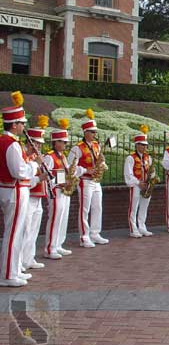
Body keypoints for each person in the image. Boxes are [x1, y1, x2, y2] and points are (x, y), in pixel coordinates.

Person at [0, 92, 43, 287]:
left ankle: (14, 269)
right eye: (22, 123)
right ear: (15, 124)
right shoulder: (11, 144)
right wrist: (34, 166)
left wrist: (31, 158)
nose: (23, 127)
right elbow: (19, 171)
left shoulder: (7, 142)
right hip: (14, 191)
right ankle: (8, 274)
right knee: (13, 234)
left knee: (15, 232)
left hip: (11, 190)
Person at [68, 109, 110, 247]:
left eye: (95, 132)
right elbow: (70, 167)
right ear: (85, 132)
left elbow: (99, 160)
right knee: (84, 209)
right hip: (85, 181)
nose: (94, 134)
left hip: (96, 181)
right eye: (92, 132)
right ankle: (84, 236)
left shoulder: (97, 145)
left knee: (98, 207)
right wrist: (86, 170)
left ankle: (95, 233)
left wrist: (102, 163)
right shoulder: (77, 148)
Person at [44, 119, 78, 260]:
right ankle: (50, 248)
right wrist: (62, 182)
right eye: (63, 142)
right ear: (55, 142)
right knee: (55, 219)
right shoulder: (49, 156)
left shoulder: (63, 156)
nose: (65, 144)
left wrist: (71, 175)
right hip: (56, 191)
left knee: (63, 218)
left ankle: (58, 244)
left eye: (65, 142)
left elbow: (64, 172)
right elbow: (46, 176)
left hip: (64, 191)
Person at [20, 117, 49, 272]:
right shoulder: (25, 157)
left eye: (40, 144)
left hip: (38, 198)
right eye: (36, 143)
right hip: (29, 197)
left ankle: (29, 258)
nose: (39, 146)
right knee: (25, 230)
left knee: (34, 230)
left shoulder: (36, 157)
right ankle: (20, 262)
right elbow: (26, 180)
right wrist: (40, 178)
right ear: (30, 142)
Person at [124, 126, 154, 238]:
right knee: (134, 207)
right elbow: (128, 174)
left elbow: (151, 170)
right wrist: (138, 183)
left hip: (146, 185)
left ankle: (142, 227)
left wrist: (151, 180)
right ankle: (133, 229)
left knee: (144, 207)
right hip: (136, 185)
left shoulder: (148, 157)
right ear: (136, 145)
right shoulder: (130, 158)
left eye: (145, 144)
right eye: (142, 144)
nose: (144, 146)